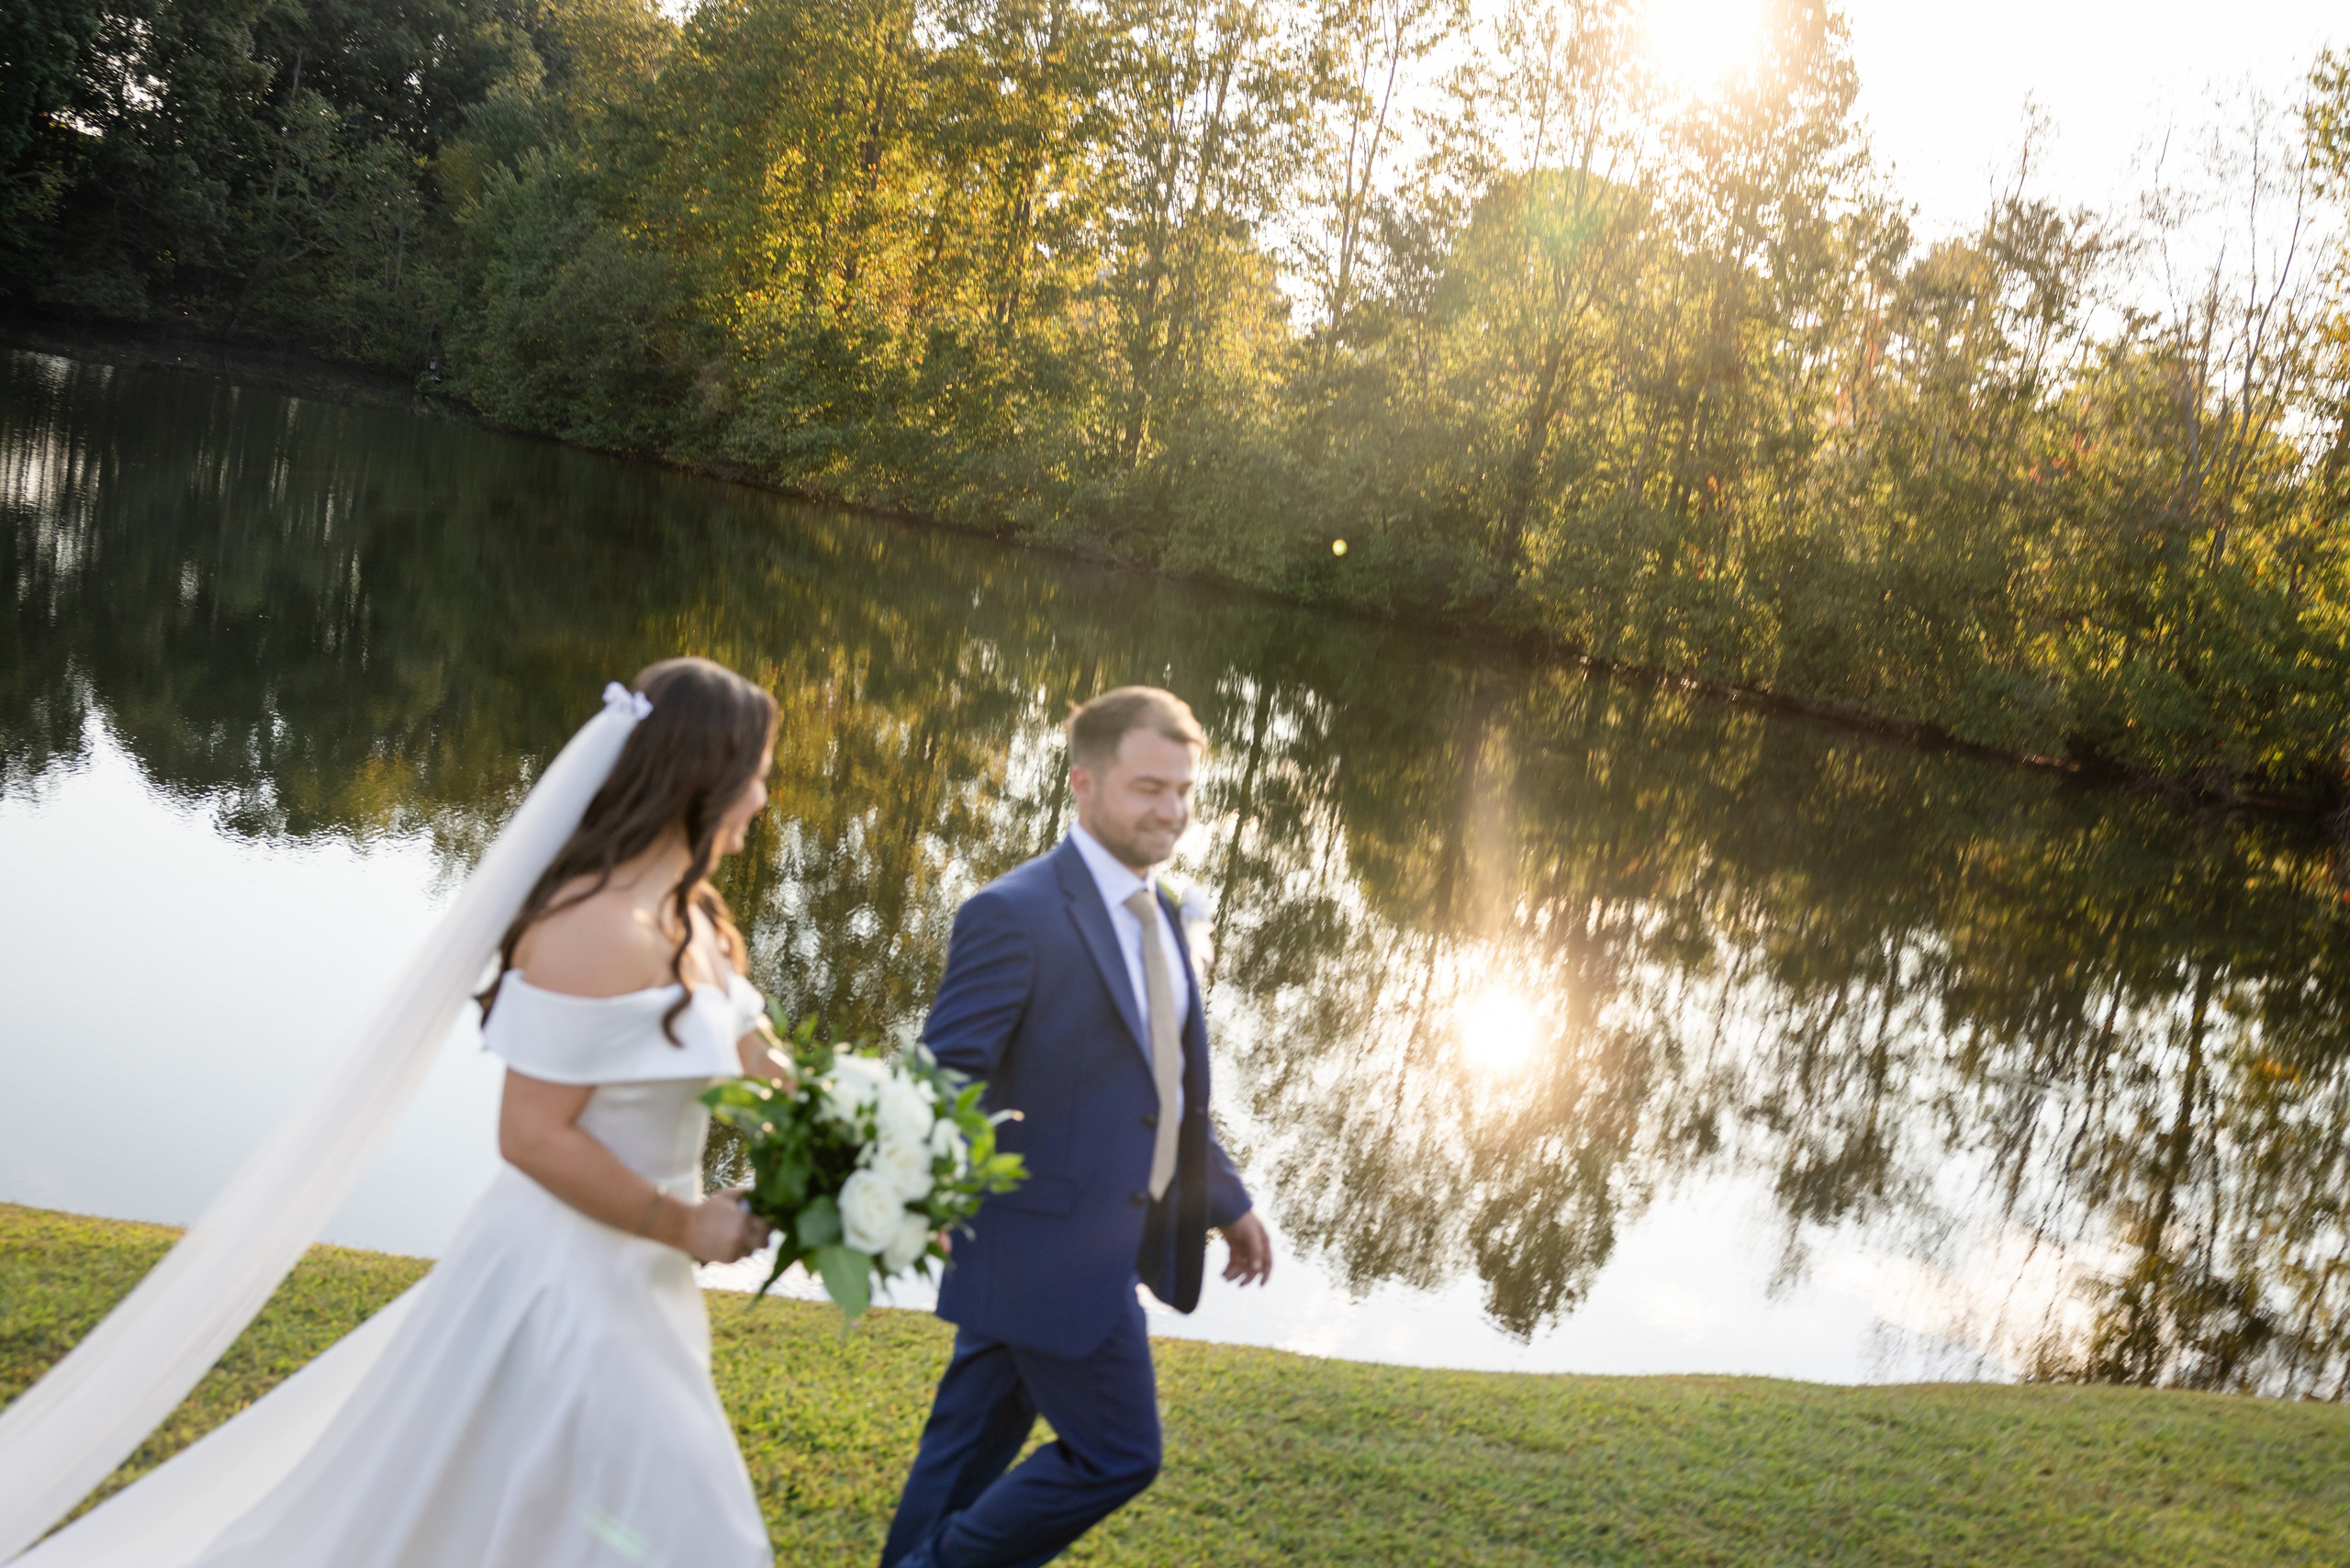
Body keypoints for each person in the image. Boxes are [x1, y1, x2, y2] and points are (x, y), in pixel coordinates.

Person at [17, 657, 790, 1568]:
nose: (764, 796)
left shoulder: (691, 915)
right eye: (756, 770)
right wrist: (687, 1220)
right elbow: (532, 1134)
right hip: (569, 1285)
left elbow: (751, 1056)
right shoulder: (592, 928)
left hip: (641, 1283)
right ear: (701, 773)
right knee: (697, 1532)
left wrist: (834, 1136)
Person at [880, 686, 1274, 1568]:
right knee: (1121, 1454)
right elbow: (943, 1080)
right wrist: (922, 1195)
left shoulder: (1164, 911)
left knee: (960, 1466)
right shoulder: (1012, 914)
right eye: (1148, 788)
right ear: (1083, 785)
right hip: (1043, 1250)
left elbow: (1161, 1090)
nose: (1171, 811)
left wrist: (1225, 1200)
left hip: (1079, 1248)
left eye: (1182, 790)